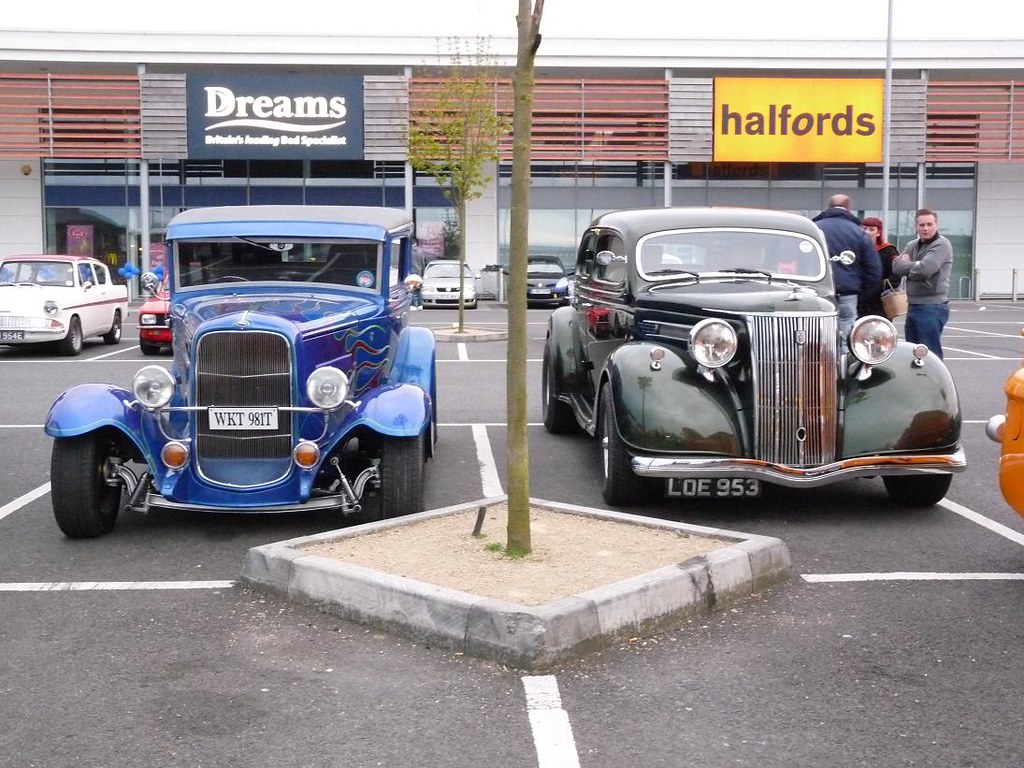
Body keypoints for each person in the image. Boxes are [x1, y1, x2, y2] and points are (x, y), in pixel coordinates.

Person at [812, 194, 882, 339]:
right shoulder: (858, 232)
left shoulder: (815, 229)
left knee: (817, 333)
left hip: (816, 293)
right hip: (848, 293)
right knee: (847, 335)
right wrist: (862, 293)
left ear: (829, 207)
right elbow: (873, 270)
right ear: (849, 209)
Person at [891, 207, 952, 358]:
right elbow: (896, 268)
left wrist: (909, 267)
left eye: (929, 224)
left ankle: (935, 375)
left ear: (936, 225)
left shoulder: (941, 245)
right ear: (916, 227)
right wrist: (917, 266)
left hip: (932, 307)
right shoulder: (912, 245)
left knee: (930, 355)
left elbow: (926, 269)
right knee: (913, 353)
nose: (925, 228)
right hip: (913, 305)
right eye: (922, 225)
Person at [859, 216, 900, 317]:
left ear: (878, 233)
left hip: (880, 303)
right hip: (859, 303)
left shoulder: (889, 251)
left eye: (871, 229)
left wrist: (877, 288)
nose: (867, 232)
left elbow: (895, 276)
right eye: (864, 229)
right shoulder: (855, 250)